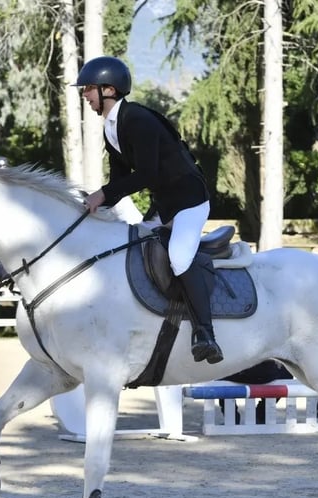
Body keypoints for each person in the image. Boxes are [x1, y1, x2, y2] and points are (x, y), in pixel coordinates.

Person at [72, 55, 223, 364]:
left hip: (189, 201)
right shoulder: (111, 128)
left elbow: (147, 175)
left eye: (87, 89)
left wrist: (102, 194)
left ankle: (205, 334)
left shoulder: (137, 120)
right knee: (134, 249)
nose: (84, 95)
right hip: (164, 205)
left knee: (179, 258)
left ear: (108, 90)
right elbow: (119, 182)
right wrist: (91, 205)